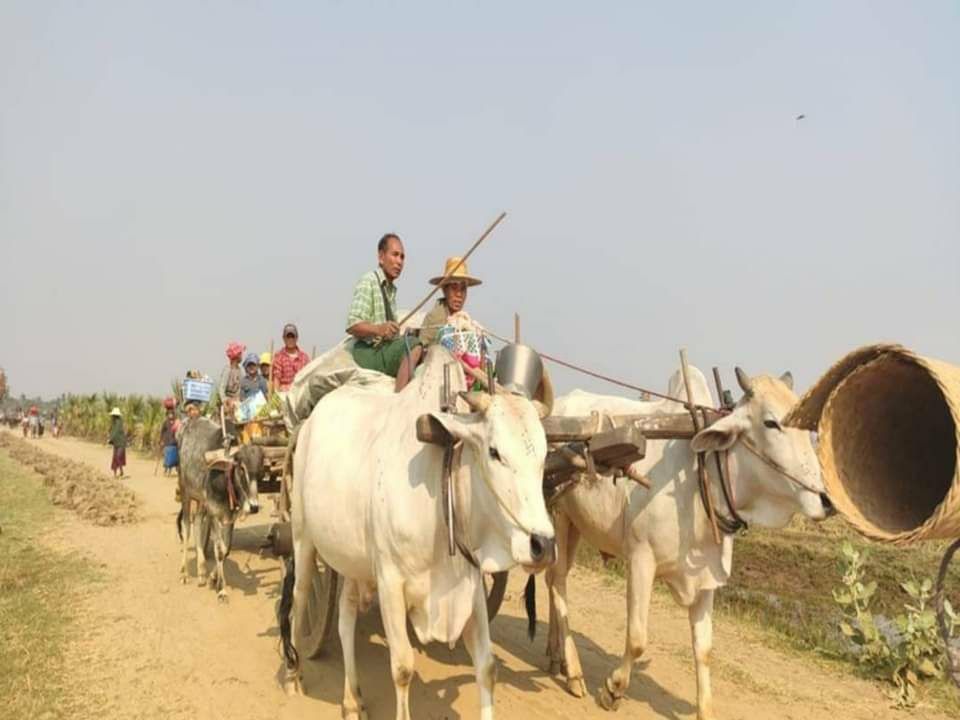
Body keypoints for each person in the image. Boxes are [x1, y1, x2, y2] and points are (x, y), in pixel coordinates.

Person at [346, 233, 422, 391]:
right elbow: (353, 324)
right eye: (395, 255)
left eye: (402, 257)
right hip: (367, 351)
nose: (399, 261)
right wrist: (379, 329)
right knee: (414, 346)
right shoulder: (369, 281)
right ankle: (399, 400)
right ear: (381, 257)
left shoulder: (390, 290)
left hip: (382, 350)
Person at [421, 257, 490, 390]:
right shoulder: (435, 317)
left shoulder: (466, 322)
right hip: (437, 379)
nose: (459, 294)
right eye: (454, 288)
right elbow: (424, 353)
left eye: (463, 289)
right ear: (444, 290)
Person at [272, 324, 310, 392]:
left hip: (300, 391)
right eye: (288, 337)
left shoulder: (304, 357)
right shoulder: (279, 356)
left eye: (292, 337)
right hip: (285, 393)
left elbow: (308, 377)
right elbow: (276, 379)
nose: (290, 339)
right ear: (284, 338)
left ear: (296, 338)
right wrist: (277, 394)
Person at [108, 407, 127, 478]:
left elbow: (115, 432)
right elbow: (111, 431)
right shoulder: (113, 423)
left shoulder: (119, 423)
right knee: (115, 457)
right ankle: (115, 474)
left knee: (118, 457)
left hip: (121, 442)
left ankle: (121, 471)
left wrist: (110, 439)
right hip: (116, 443)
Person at [159, 407, 179, 476]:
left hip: (174, 443)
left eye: (172, 414)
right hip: (167, 442)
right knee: (167, 457)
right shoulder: (165, 422)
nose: (171, 415)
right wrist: (161, 440)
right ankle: (166, 470)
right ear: (167, 415)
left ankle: (170, 470)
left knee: (172, 457)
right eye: (169, 414)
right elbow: (162, 432)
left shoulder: (176, 422)